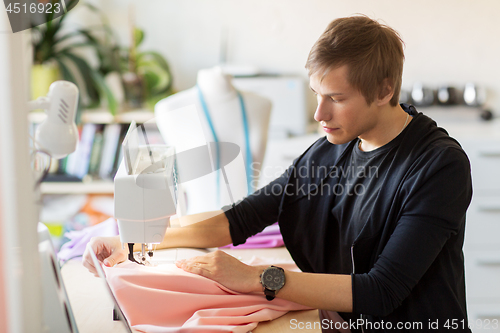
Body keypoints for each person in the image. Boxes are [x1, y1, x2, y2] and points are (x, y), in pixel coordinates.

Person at [84, 15, 472, 333]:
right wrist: (137, 242)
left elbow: (381, 291)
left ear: (385, 90)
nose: (320, 114)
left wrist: (257, 278)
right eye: (316, 94)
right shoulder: (329, 151)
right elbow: (242, 218)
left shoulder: (438, 167)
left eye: (336, 99)